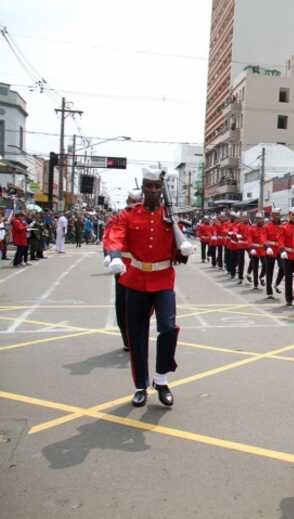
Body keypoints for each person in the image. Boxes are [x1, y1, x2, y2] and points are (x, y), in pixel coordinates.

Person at [104, 168, 195, 407]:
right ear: (142, 188)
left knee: (168, 328)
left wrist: (184, 247)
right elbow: (116, 233)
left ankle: (162, 379)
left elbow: (180, 245)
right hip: (135, 279)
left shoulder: (170, 215)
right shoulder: (129, 214)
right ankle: (140, 386)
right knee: (137, 335)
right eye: (148, 186)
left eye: (156, 186)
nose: (152, 190)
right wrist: (114, 254)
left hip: (163, 279)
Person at [105, 189, 143, 351]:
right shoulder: (118, 219)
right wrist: (111, 255)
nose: (135, 206)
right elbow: (110, 237)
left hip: (141, 268)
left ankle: (138, 334)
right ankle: (126, 337)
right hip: (122, 267)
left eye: (138, 202)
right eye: (133, 202)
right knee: (122, 303)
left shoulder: (146, 218)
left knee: (141, 304)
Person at [279, 207, 294, 306]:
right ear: (289, 215)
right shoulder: (284, 227)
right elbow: (281, 240)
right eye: (292, 215)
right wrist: (282, 250)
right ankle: (289, 298)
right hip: (288, 256)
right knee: (288, 278)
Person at [263, 208, 284, 299]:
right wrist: (267, 247)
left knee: (283, 268)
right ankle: (269, 292)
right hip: (270, 251)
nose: (276, 216)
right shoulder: (267, 226)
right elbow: (263, 238)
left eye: (278, 214)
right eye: (275, 214)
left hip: (280, 250)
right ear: (272, 216)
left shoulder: (283, 226)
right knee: (269, 271)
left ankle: (277, 284)